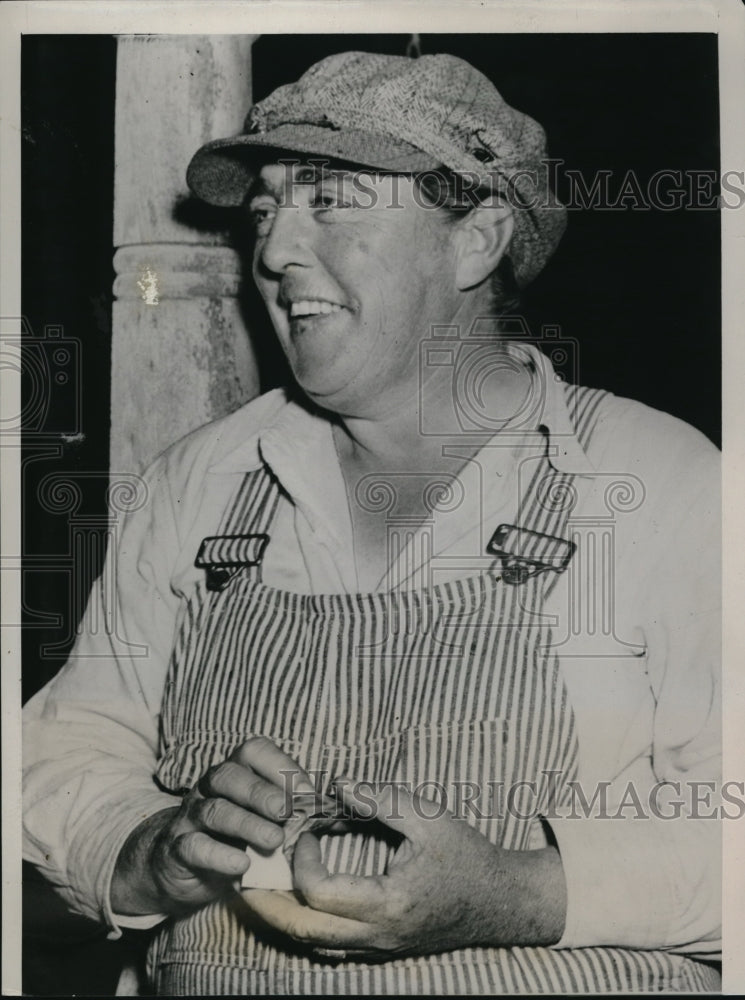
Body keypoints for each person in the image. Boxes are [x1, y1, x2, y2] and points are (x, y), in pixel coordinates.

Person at [23, 51, 721, 994]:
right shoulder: (200, 483)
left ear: (476, 238)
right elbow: (68, 751)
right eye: (265, 207)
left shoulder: (657, 482)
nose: (270, 249)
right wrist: (151, 848)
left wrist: (520, 893)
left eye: (333, 199)